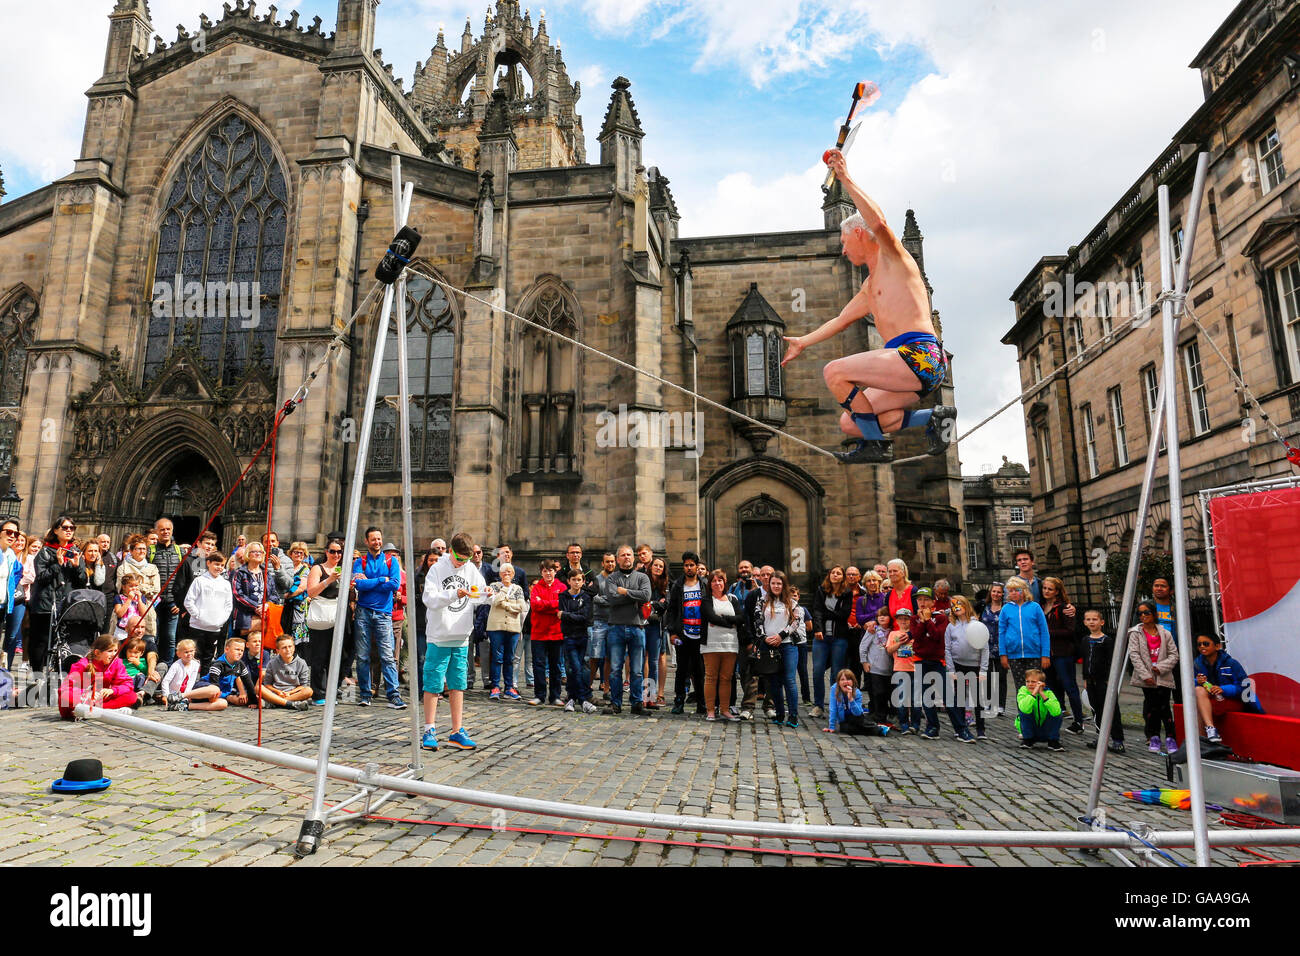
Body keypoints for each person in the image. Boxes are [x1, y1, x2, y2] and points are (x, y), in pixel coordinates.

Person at [780, 148, 956, 464]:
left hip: (920, 356)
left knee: (835, 371)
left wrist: (844, 176)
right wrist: (802, 342)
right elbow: (841, 320)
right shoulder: (869, 285)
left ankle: (876, 446)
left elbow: (880, 223)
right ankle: (934, 416)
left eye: (845, 243)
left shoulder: (896, 259)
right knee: (851, 422)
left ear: (859, 234)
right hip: (905, 368)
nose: (844, 252)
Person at [420, 531, 491, 752]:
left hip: (461, 636)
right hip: (439, 635)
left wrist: (487, 594)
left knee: (458, 684)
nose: (462, 563)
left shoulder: (470, 568)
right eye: (459, 558)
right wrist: (453, 594)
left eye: (466, 559)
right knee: (433, 683)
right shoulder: (437, 568)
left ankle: (457, 730)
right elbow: (429, 599)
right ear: (451, 551)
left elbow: (478, 595)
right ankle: (429, 728)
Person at [351, 527, 404, 709]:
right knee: (363, 656)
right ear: (367, 541)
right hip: (363, 612)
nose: (377, 542)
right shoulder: (360, 561)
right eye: (373, 539)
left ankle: (394, 695)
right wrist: (382, 580)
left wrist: (371, 583)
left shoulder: (391, 561)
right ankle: (366, 694)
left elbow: (395, 584)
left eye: (379, 539)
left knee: (388, 656)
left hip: (383, 613)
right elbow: (358, 583)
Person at [911, 587, 973, 742]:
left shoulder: (940, 618)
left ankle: (961, 729)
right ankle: (932, 727)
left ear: (933, 602)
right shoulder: (914, 619)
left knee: (948, 696)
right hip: (920, 660)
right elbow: (917, 637)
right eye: (920, 599)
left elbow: (937, 636)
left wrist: (927, 621)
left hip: (937, 661)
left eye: (926, 599)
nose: (923, 603)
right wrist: (922, 621)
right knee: (927, 697)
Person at [31, 518, 88, 674]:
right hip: (46, 604)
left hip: (67, 605)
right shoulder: (45, 551)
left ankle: (56, 674)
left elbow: (83, 581)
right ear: (55, 530)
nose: (69, 530)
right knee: (41, 642)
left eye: (72, 527)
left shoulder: (75, 552)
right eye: (65, 527)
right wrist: (58, 564)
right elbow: (41, 578)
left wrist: (76, 567)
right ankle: (36, 676)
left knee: (62, 643)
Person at [600, 545, 651, 715]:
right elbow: (612, 599)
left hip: (637, 627)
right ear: (618, 559)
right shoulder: (612, 579)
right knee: (615, 669)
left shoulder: (642, 577)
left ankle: (637, 703)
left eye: (629, 554)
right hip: (616, 627)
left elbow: (646, 596)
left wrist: (625, 592)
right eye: (623, 555)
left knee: (637, 670)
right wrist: (632, 596)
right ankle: (616, 703)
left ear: (633, 557)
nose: (626, 557)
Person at [752, 570, 804, 728]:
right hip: (768, 645)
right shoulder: (763, 601)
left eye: (779, 583)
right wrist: (764, 637)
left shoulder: (791, 602)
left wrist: (781, 635)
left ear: (784, 585)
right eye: (773, 583)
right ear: (769, 584)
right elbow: (757, 619)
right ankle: (779, 714)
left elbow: (796, 621)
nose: (776, 586)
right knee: (773, 682)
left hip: (787, 645)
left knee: (789, 680)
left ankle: (793, 715)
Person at [1126, 600, 1179, 754]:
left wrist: (1160, 668)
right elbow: (1134, 655)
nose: (1143, 616)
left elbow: (1174, 654)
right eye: (1140, 613)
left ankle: (1170, 736)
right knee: (1152, 706)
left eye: (1146, 613)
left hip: (1163, 675)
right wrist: (1145, 674)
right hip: (1146, 676)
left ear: (1154, 614)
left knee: (1164, 706)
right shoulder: (1135, 633)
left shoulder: (1165, 633)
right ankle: (1153, 735)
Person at [1193, 633, 1263, 743]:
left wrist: (1224, 689)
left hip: (1234, 700)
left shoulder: (1231, 663)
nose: (1202, 647)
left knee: (1200, 706)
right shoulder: (1197, 663)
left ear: (1217, 646)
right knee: (1198, 691)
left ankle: (1202, 744)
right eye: (1199, 644)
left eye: (1206, 644)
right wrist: (1198, 681)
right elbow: (1189, 683)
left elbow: (1245, 688)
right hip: (1211, 700)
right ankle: (1210, 731)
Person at [665, 552, 707, 715]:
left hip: (700, 635)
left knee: (700, 671)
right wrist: (673, 632)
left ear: (697, 566)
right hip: (683, 634)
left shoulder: (704, 585)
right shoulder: (678, 585)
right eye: (686, 565)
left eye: (692, 565)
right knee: (681, 670)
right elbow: (672, 610)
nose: (689, 568)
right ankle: (679, 701)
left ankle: (701, 702)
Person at [305, 537, 346, 705]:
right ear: (326, 552)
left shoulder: (343, 568)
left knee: (337, 656)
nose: (336, 554)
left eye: (339, 552)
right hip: (322, 614)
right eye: (332, 551)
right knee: (319, 656)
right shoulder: (318, 568)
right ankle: (318, 693)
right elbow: (311, 592)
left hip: (338, 614)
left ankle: (332, 690)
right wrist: (329, 579)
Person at [1041, 576, 1084, 735]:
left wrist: (1047, 633)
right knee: (1051, 688)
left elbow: (1070, 631)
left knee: (1069, 686)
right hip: (1047, 654)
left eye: (1050, 589)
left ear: (1057, 591)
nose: (1046, 591)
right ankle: (1055, 718)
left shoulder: (1064, 607)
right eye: (1045, 588)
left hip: (1063, 653)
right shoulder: (1041, 606)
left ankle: (1078, 721)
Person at [58, 634, 137, 719]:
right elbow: (64, 690)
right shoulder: (82, 664)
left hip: (100, 701)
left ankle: (100, 711)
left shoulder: (117, 663)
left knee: (132, 696)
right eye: (110, 651)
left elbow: (127, 684)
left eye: (116, 651)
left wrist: (113, 691)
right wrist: (86, 694)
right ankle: (102, 711)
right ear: (97, 653)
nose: (114, 654)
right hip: (82, 702)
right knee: (66, 698)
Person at [1081, 608, 1125, 753]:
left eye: (1094, 619)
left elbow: (1111, 661)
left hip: (1104, 681)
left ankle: (1118, 740)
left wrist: (1109, 679)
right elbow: (1085, 661)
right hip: (1090, 681)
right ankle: (1101, 737)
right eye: (1088, 619)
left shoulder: (1107, 640)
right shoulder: (1085, 640)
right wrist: (1085, 679)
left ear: (1102, 622)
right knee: (1096, 710)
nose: (1091, 622)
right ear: (1084, 622)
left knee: (1111, 710)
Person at [700, 569, 741, 721]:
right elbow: (711, 617)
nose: (717, 583)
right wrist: (730, 623)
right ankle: (711, 710)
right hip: (711, 644)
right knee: (711, 677)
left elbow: (741, 618)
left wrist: (724, 619)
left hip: (730, 644)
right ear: (710, 584)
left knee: (726, 678)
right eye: (714, 581)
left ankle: (725, 709)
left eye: (720, 580)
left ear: (725, 582)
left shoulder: (732, 599)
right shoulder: (706, 600)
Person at [945, 595, 988, 740]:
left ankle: (981, 729)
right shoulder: (951, 626)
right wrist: (951, 669)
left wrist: (983, 670)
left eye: (959, 604)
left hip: (974, 665)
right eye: (953, 605)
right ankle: (961, 726)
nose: (956, 607)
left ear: (966, 605)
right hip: (958, 665)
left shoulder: (976, 624)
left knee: (978, 699)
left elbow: (984, 648)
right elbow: (947, 648)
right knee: (960, 698)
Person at [810, 565, 849, 720]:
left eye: (838, 573)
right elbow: (817, 611)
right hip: (821, 637)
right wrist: (818, 628)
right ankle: (818, 705)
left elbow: (844, 614)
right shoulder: (821, 590)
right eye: (833, 572)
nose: (835, 575)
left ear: (842, 577)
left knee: (836, 673)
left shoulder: (846, 594)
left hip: (839, 637)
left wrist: (827, 614)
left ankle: (836, 704)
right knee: (818, 671)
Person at [998, 576, 1050, 692]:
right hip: (1014, 656)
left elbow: (1044, 631)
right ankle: (1022, 711)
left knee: (1036, 687)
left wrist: (1045, 654)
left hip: (1034, 654)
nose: (1014, 593)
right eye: (1011, 591)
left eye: (1017, 590)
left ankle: (1037, 710)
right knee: (1021, 688)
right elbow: (1001, 633)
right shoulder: (1005, 609)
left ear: (1024, 591)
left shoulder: (1035, 607)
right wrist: (1003, 654)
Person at [184, 551, 233, 674]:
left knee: (208, 657)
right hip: (197, 626)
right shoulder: (199, 581)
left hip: (215, 628)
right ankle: (189, 682)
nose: (219, 568)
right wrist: (198, 616)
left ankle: (203, 682)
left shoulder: (226, 584)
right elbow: (189, 601)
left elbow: (228, 606)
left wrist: (220, 621)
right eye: (216, 564)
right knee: (194, 656)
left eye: (222, 565)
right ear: (208, 563)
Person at [528, 559, 566, 706]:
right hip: (539, 632)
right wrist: (553, 606)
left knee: (555, 665)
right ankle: (539, 695)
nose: (548, 573)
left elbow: (562, 605)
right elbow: (535, 606)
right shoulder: (537, 587)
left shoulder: (562, 587)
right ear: (541, 572)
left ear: (555, 572)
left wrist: (546, 605)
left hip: (556, 632)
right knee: (539, 665)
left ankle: (555, 696)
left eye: (550, 570)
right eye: (545, 571)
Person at [559, 568, 597, 713]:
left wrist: (567, 615)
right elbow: (560, 615)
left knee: (582, 667)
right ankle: (583, 700)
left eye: (579, 580)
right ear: (568, 581)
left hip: (583, 636)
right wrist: (572, 616)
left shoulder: (586, 597)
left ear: (583, 581)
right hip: (569, 636)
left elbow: (585, 617)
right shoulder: (563, 596)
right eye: (573, 580)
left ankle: (572, 699)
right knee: (574, 667)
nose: (576, 582)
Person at [486, 562, 526, 701]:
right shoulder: (494, 586)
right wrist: (504, 589)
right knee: (497, 657)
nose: (507, 574)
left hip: (513, 628)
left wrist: (506, 605)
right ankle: (495, 686)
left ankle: (509, 687)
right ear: (500, 574)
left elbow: (521, 606)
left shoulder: (518, 589)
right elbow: (494, 601)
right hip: (496, 627)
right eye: (504, 572)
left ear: (514, 574)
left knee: (510, 658)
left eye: (509, 572)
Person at [148, 518, 185, 665]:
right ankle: (153, 666)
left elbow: (185, 580)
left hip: (173, 602)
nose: (165, 532)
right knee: (153, 636)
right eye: (162, 529)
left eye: (168, 529)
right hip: (154, 602)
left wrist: (181, 603)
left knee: (170, 638)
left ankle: (167, 667)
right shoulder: (149, 551)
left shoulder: (180, 551)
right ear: (156, 532)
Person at [160, 638, 226, 711]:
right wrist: (166, 695)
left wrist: (187, 696)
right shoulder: (176, 665)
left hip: (188, 694)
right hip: (174, 694)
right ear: (178, 654)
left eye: (191, 651)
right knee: (215, 690)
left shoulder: (196, 664)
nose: (189, 654)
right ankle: (177, 700)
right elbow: (166, 681)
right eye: (186, 652)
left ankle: (184, 706)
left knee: (223, 703)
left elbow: (191, 681)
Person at [824, 669, 888, 736]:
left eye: (848, 679)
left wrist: (851, 699)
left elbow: (858, 713)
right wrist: (831, 727)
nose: (845, 682)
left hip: (856, 717)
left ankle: (879, 729)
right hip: (844, 719)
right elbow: (833, 708)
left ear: (853, 682)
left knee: (859, 722)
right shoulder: (834, 689)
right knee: (845, 729)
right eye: (842, 680)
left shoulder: (857, 692)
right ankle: (874, 728)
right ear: (838, 682)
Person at [1015, 668, 1064, 751]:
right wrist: (1033, 694)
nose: (1030, 684)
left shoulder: (1048, 692)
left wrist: (1042, 694)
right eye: (1027, 681)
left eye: (1033, 682)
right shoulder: (1023, 690)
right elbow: (1024, 708)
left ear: (1041, 683)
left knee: (1057, 712)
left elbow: (1057, 712)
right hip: (1030, 730)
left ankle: (1053, 741)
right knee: (1024, 712)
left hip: (1045, 730)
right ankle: (1027, 740)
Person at [860, 605, 894, 725]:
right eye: (879, 616)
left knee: (886, 693)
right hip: (875, 668)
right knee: (877, 693)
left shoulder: (892, 632)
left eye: (885, 615)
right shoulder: (873, 630)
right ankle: (877, 715)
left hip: (889, 669)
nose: (882, 618)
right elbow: (863, 647)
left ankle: (885, 715)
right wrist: (864, 661)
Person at [259, 634, 313, 710]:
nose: (288, 650)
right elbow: (267, 684)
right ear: (278, 651)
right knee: (259, 688)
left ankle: (276, 703)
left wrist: (289, 693)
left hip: (293, 693)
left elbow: (303, 685)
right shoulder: (272, 663)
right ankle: (289, 703)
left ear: (294, 647)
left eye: (290, 646)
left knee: (309, 691)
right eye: (284, 647)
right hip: (276, 693)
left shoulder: (301, 663)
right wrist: (277, 692)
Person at [645, 557, 670, 708]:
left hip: (656, 626)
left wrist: (652, 604)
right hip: (642, 624)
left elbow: (665, 605)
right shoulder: (644, 581)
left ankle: (651, 696)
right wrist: (655, 604)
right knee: (642, 659)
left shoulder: (666, 585)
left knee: (654, 661)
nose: (658, 568)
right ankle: (641, 695)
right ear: (651, 566)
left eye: (661, 566)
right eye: (656, 565)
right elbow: (642, 602)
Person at [979, 583, 1006, 716]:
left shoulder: (1006, 608)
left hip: (1002, 647)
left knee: (1001, 677)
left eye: (999, 592)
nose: (996, 594)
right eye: (994, 591)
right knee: (988, 676)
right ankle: (989, 702)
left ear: (1002, 594)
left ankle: (1000, 705)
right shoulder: (984, 606)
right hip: (986, 647)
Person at [201, 636, 252, 706]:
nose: (240, 653)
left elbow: (244, 680)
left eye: (242, 650)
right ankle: (186, 697)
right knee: (216, 696)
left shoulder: (238, 664)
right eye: (237, 649)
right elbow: (214, 683)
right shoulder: (219, 664)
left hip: (226, 692)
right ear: (227, 649)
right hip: (208, 687)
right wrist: (215, 695)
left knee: (243, 701)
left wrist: (243, 693)